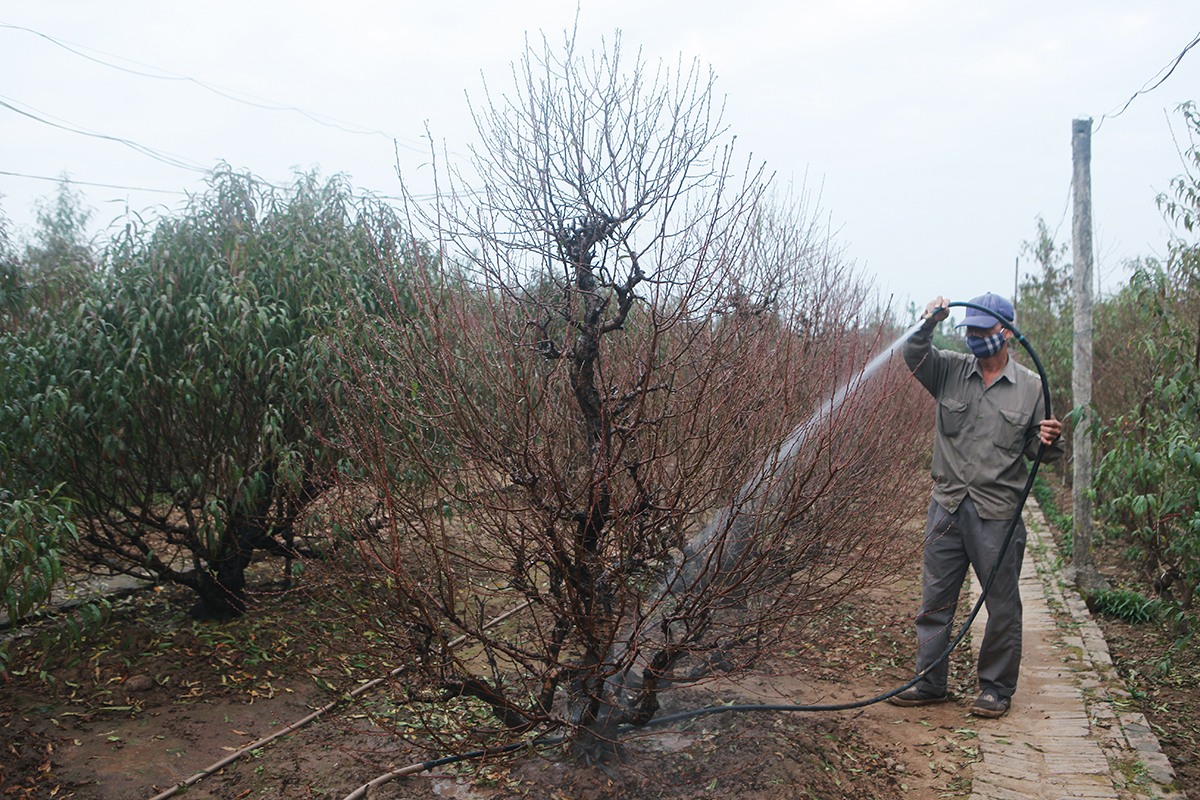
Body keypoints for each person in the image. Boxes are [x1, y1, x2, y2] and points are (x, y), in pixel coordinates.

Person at [889, 292, 1064, 719]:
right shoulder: (948, 368)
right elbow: (912, 353)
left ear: (1006, 333)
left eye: (982, 332)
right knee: (935, 601)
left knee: (1002, 605)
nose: (973, 338)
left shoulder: (1032, 387)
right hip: (947, 505)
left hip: (997, 514)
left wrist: (1051, 441)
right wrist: (930, 320)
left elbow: (1039, 451)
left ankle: (996, 689)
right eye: (968, 330)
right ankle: (929, 682)